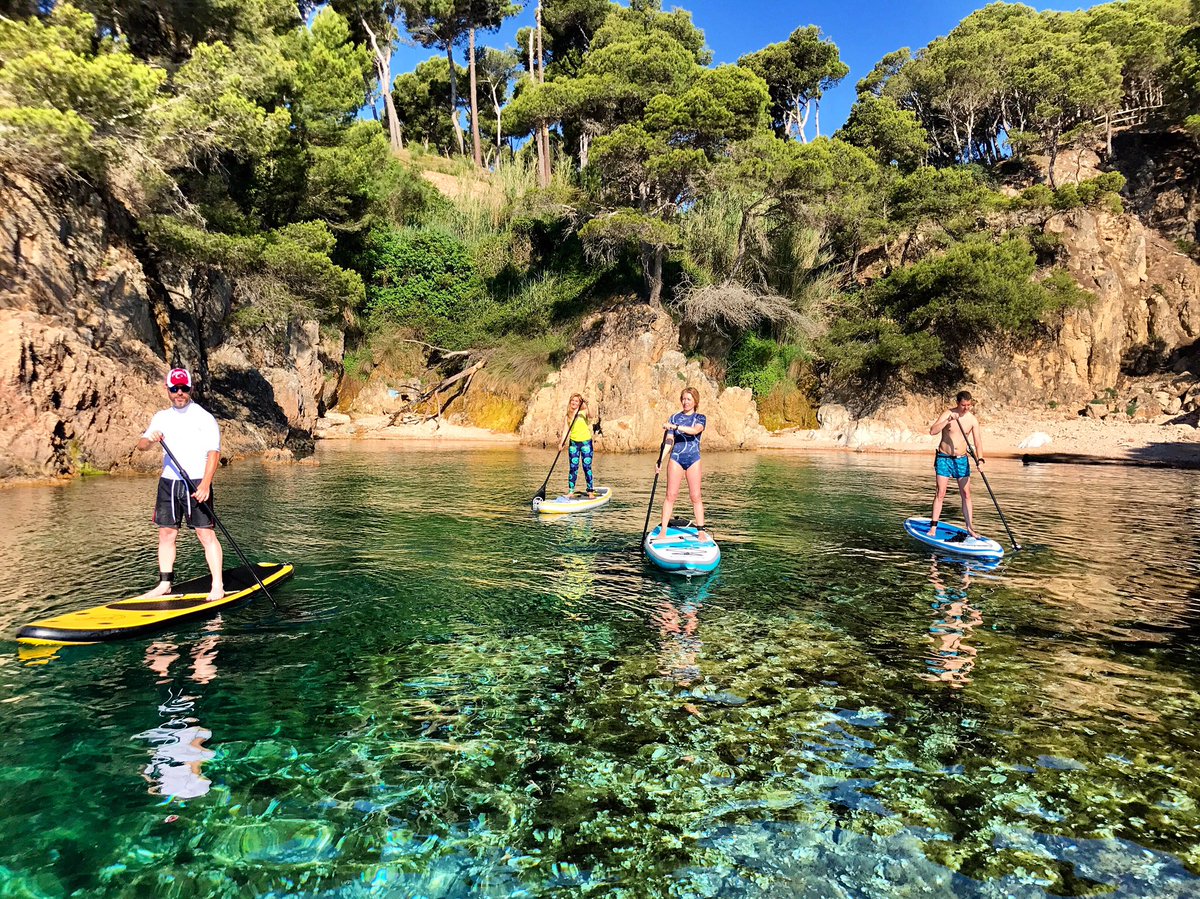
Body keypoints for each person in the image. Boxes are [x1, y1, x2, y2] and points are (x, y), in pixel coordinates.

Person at [136, 368, 224, 600]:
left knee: (205, 535)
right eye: (174, 389)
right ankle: (165, 584)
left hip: (196, 482)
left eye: (184, 388)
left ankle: (217, 585)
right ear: (167, 389)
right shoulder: (161, 417)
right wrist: (150, 439)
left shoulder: (204, 417)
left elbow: (213, 453)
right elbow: (141, 445)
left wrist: (205, 484)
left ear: (191, 388)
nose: (179, 393)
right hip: (169, 482)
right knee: (166, 534)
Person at [927, 390, 985, 538]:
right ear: (958, 403)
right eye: (963, 405)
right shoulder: (948, 414)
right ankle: (933, 527)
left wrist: (980, 459)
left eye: (969, 405)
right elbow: (932, 431)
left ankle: (970, 528)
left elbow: (978, 442)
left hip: (961, 459)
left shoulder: (972, 420)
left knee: (966, 494)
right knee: (940, 493)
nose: (966, 408)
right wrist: (947, 420)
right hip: (944, 458)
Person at [654, 387, 707, 542]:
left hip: (693, 459)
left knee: (695, 496)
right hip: (676, 458)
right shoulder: (674, 417)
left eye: (689, 399)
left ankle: (701, 532)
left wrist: (676, 427)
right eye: (684, 399)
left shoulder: (700, 418)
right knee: (670, 495)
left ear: (695, 401)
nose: (685, 402)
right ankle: (663, 531)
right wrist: (660, 460)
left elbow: (694, 431)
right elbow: (669, 441)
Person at [558, 393, 596, 497]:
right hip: (573, 444)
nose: (574, 402)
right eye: (572, 400)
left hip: (586, 443)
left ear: (580, 403)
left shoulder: (583, 412)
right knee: (573, 467)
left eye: (577, 401)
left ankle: (590, 491)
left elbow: (591, 415)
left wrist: (587, 405)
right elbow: (565, 430)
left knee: (586, 467)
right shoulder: (568, 415)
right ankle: (571, 491)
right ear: (570, 402)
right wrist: (561, 443)